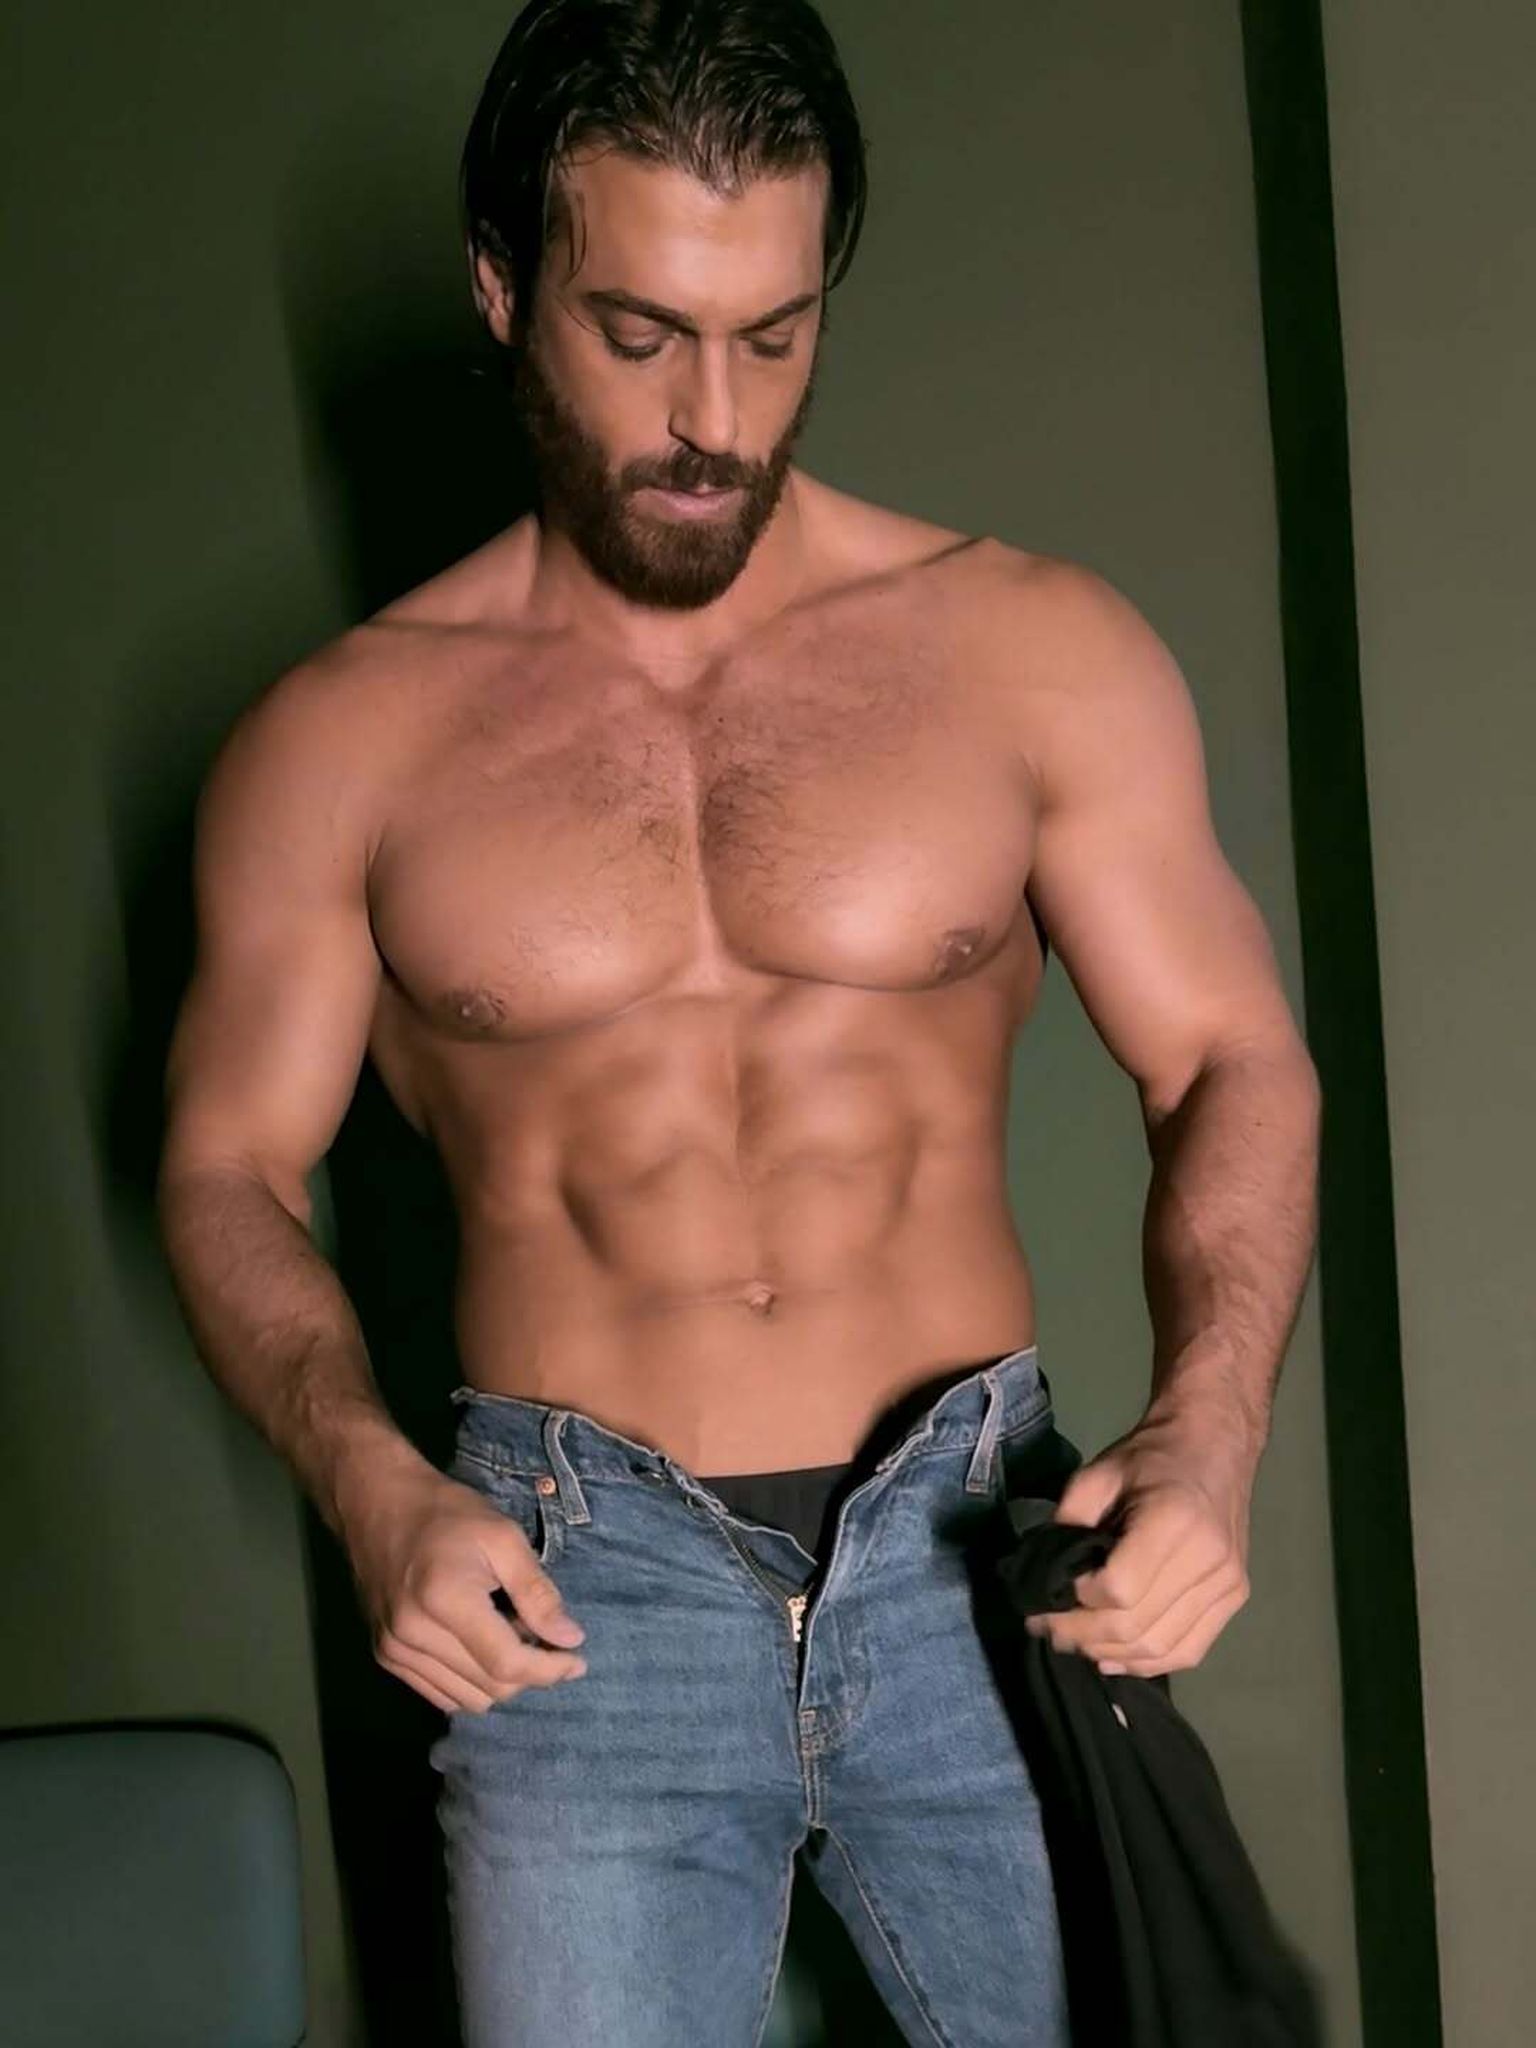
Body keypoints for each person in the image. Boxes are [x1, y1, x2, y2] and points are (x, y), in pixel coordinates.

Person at [155, 2, 1322, 2042]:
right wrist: (368, 1483)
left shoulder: (1032, 652)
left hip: (971, 1552)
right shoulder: (338, 743)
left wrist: (1210, 1434)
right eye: (640, 335)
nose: (713, 417)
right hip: (570, 1603)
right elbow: (225, 1164)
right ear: (503, 289)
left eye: (774, 337)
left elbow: (1228, 1055)